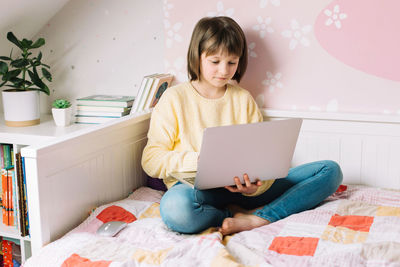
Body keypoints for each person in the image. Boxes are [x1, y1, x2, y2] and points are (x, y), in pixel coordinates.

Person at [141, 16, 343, 235]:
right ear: (197, 57)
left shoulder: (243, 99)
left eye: (232, 62)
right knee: (175, 209)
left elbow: (262, 159)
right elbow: (150, 160)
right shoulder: (174, 98)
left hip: (244, 191)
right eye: (215, 61)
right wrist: (198, 160)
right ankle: (231, 216)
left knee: (330, 171)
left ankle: (260, 218)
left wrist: (256, 187)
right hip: (198, 192)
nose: (224, 71)